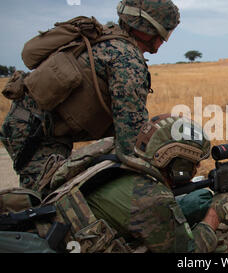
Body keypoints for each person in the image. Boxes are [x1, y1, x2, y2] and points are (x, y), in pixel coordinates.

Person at [0, 0, 180, 193]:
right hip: (36, 135)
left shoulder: (110, 37)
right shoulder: (127, 60)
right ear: (146, 28)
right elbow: (130, 144)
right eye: (164, 33)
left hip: (36, 127)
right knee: (47, 204)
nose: (164, 40)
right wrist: (163, 180)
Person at [83, 114, 228, 253]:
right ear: (176, 164)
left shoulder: (121, 158)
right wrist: (215, 214)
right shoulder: (152, 197)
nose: (197, 168)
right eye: (193, 163)